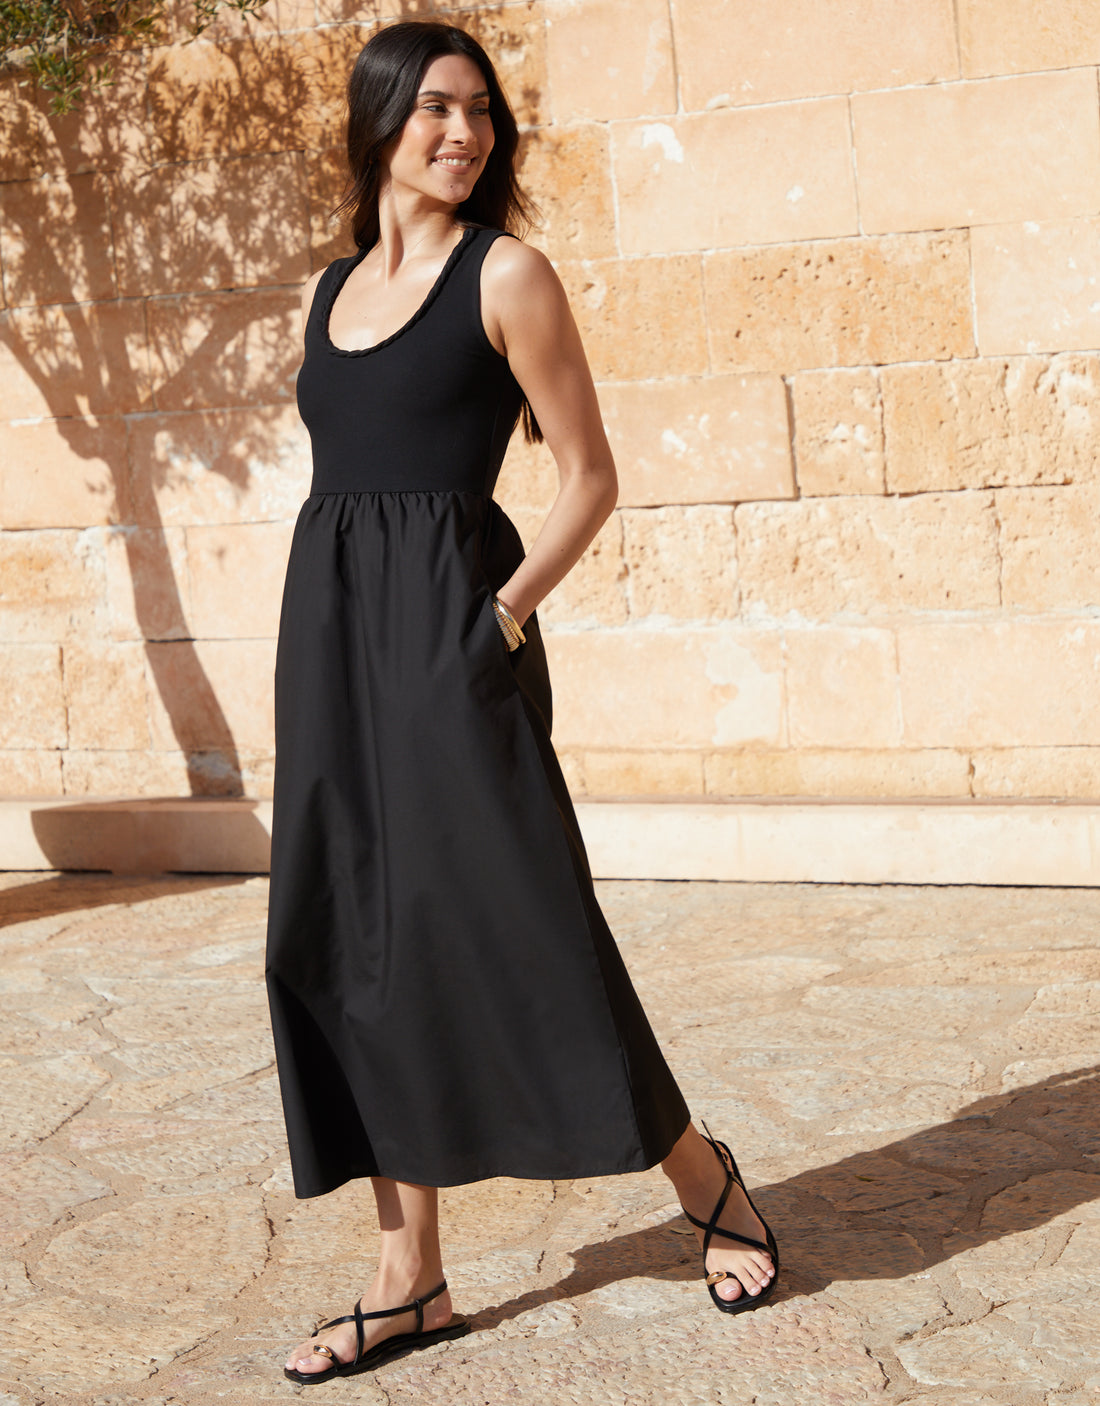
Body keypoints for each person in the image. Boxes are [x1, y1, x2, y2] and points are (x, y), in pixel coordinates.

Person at [265, 19, 778, 1385]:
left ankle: (701, 1175)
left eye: (483, 111)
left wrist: (496, 618)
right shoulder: (330, 292)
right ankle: (410, 1275)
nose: (466, 132)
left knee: (527, 915)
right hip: (331, 641)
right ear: (379, 118)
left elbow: (588, 477)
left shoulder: (507, 274)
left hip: (453, 637)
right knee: (349, 936)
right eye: (437, 106)